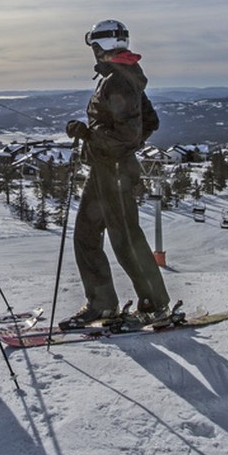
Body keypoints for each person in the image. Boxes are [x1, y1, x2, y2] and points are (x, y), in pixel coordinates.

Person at [61, 19, 174, 329]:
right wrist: (112, 143)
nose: (93, 53)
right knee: (86, 235)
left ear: (101, 48)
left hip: (115, 173)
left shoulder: (119, 81)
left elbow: (127, 133)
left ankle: (155, 305)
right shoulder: (122, 77)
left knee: (125, 239)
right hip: (105, 171)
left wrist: (89, 135)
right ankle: (102, 304)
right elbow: (148, 123)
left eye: (94, 47)